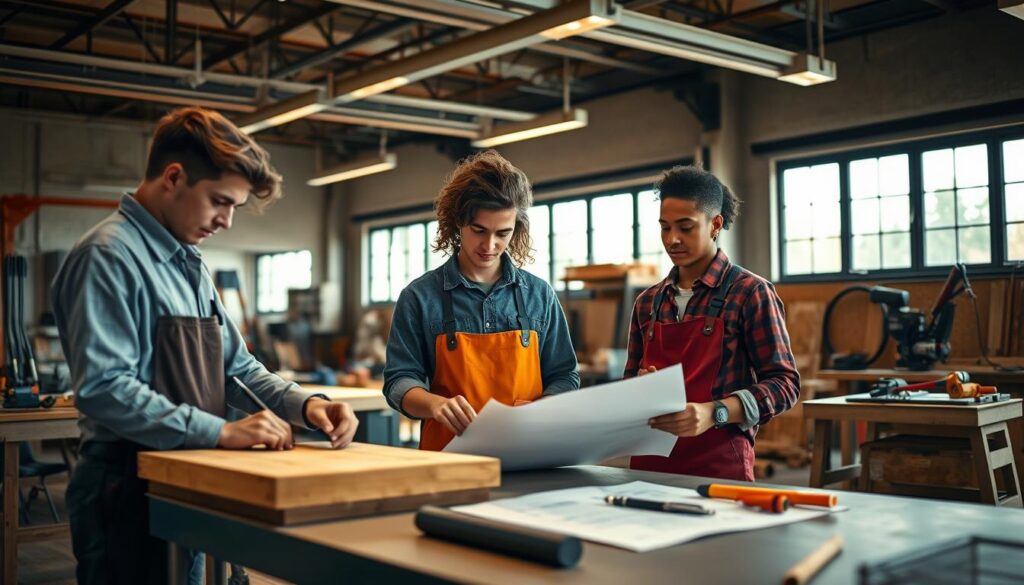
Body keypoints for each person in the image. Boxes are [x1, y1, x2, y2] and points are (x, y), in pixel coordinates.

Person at [51, 107, 359, 585]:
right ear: (173, 177)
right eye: (220, 201)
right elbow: (105, 387)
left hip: (192, 476)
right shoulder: (107, 257)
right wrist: (219, 431)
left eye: (234, 206)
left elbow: (235, 369)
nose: (228, 221)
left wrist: (307, 404)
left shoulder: (188, 264)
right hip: (126, 488)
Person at [383, 150, 579, 450]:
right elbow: (399, 381)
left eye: (503, 233)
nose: (490, 245)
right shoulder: (419, 297)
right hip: (448, 458)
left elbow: (564, 375)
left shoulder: (539, 295)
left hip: (529, 453)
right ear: (458, 222)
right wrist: (434, 405)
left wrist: (544, 409)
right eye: (479, 231)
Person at [623, 165, 800, 481]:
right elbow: (628, 386)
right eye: (665, 227)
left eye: (685, 227)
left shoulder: (750, 293)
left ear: (715, 224)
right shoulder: (647, 303)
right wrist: (641, 389)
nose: (672, 239)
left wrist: (715, 412)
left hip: (719, 469)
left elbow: (784, 385)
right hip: (648, 467)